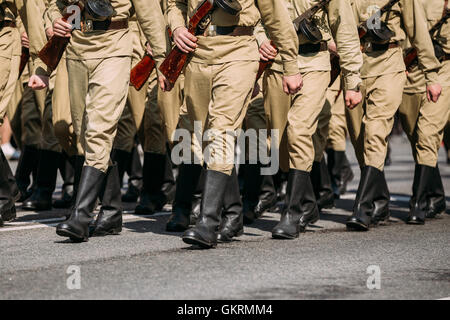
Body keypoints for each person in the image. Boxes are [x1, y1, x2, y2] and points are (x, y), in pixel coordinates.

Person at [29, 0, 170, 242]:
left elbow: (149, 13)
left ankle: (80, 216)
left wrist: (162, 61)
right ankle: (112, 211)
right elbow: (56, 5)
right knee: (84, 135)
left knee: (98, 130)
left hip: (114, 45)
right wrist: (54, 22)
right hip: (76, 50)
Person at [167, 0, 303, 248]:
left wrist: (291, 65)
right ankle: (232, 212)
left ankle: (207, 223)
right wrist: (176, 28)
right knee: (203, 138)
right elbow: (175, 4)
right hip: (198, 53)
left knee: (221, 132)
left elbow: (274, 15)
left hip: (238, 52)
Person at [259, 0, 363, 239]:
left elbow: (344, 28)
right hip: (277, 65)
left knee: (298, 130)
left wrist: (352, 81)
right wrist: (258, 39)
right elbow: (252, 13)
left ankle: (292, 213)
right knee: (280, 144)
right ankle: (308, 204)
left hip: (314, 62)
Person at [345, 0, 443, 231]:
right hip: (356, 67)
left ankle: (362, 207)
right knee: (359, 139)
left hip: (389, 62)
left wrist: (431, 74)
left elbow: (418, 32)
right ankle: (380, 200)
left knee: (375, 132)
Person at [398, 0, 449, 224]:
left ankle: (417, 201)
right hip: (410, 67)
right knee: (415, 135)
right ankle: (436, 196)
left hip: (444, 67)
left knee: (427, 133)